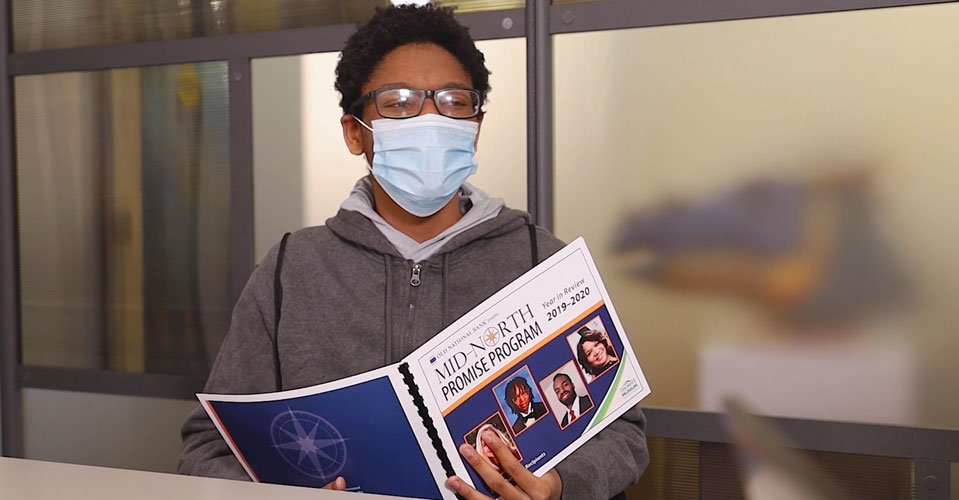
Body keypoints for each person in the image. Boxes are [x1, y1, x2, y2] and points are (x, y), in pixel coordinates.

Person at [177, 4, 647, 500]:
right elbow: (208, 445)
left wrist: (556, 487)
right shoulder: (290, 270)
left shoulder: (540, 261)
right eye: (398, 102)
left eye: (452, 100)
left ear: (476, 125)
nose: (429, 118)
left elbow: (623, 433)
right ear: (355, 131)